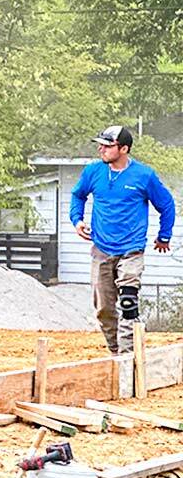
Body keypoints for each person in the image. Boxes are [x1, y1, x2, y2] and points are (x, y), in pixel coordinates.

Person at [70, 125, 175, 354]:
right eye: (100, 145)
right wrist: (77, 221)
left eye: (107, 146)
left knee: (128, 302)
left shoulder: (144, 175)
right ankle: (116, 352)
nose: (101, 149)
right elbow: (78, 195)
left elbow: (166, 204)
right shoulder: (93, 172)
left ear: (124, 149)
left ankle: (128, 356)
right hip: (101, 248)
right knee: (104, 309)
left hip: (131, 249)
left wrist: (164, 236)